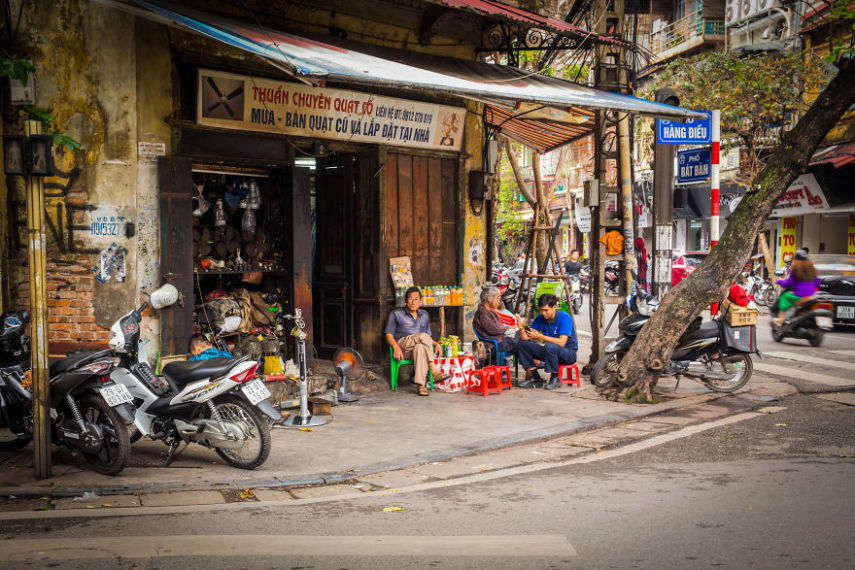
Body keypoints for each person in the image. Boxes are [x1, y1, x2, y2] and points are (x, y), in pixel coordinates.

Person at [385, 286, 451, 396]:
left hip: (417, 347)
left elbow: (427, 338)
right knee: (423, 337)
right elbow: (388, 335)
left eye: (416, 299)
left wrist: (436, 344)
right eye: (411, 299)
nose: (413, 302)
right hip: (403, 347)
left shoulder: (424, 315)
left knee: (420, 348)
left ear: (420, 301)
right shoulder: (396, 314)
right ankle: (434, 370)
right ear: (406, 300)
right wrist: (395, 347)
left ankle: (421, 385)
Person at [517, 293, 578, 390]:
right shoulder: (540, 317)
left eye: (546, 310)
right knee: (522, 345)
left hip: (568, 354)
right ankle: (535, 378)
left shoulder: (564, 317)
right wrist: (521, 326)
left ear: (554, 307)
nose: (543, 313)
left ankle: (555, 378)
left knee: (550, 346)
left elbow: (562, 342)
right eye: (541, 310)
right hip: (550, 352)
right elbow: (525, 338)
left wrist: (540, 336)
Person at [771, 249, 821, 326]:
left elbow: (788, 284)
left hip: (800, 296)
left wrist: (778, 281)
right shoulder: (812, 269)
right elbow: (818, 283)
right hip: (811, 296)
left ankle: (781, 319)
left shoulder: (795, 269)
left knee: (784, 297)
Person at [473, 286, 521, 360]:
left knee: (524, 343)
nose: (499, 301)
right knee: (522, 341)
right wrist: (508, 328)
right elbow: (494, 329)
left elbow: (499, 325)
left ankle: (531, 365)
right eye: (497, 298)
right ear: (489, 298)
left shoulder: (490, 311)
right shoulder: (483, 313)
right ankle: (533, 364)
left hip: (500, 340)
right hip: (495, 343)